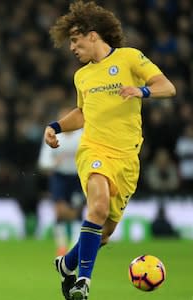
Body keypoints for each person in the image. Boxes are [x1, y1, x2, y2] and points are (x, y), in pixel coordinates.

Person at [44, 2, 176, 299]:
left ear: (92, 35)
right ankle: (83, 282)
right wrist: (56, 126)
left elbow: (167, 87)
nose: (72, 48)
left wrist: (141, 90)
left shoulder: (129, 59)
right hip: (94, 149)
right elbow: (82, 113)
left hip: (127, 158)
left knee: (103, 233)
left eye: (75, 41)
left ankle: (66, 265)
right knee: (98, 206)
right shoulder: (82, 76)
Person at [38, 106, 84, 256]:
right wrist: (54, 163)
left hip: (78, 177)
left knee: (76, 212)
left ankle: (74, 244)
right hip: (59, 177)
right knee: (60, 211)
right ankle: (62, 246)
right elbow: (43, 162)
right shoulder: (53, 136)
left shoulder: (82, 135)